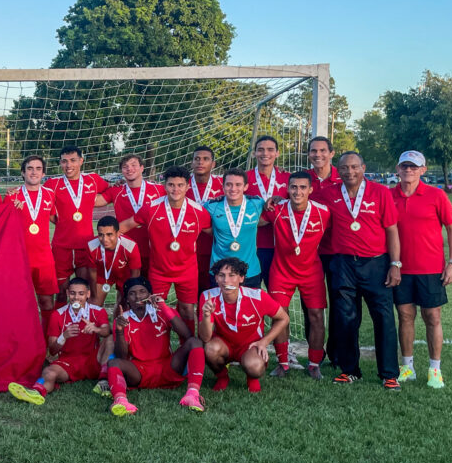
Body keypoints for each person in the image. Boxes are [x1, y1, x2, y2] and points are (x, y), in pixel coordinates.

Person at [317, 151, 401, 388]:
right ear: (338, 170)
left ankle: (389, 373)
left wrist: (395, 264)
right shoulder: (329, 193)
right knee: (345, 319)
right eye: (344, 168)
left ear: (363, 168)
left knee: (383, 318)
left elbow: (392, 230)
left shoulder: (381, 192)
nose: (350, 172)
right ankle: (350, 369)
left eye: (354, 167)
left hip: (376, 263)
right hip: (343, 263)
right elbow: (306, 207)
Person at [391, 150, 452, 388]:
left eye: (413, 166)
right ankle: (407, 367)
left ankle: (434, 369)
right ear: (397, 169)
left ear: (423, 170)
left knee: (432, 317)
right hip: (400, 268)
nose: (408, 170)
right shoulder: (389, 195)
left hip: (431, 269)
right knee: (405, 316)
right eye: (404, 166)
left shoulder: (436, 195)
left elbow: (451, 228)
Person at [121, 165, 211, 334]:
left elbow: (215, 233)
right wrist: (107, 236)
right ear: (165, 186)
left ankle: (188, 349)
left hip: (187, 271)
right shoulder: (151, 209)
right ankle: (155, 351)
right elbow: (127, 224)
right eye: (171, 185)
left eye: (180, 185)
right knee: (154, 310)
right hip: (159, 271)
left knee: (186, 310)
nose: (175, 189)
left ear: (187, 186)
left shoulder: (199, 212)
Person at [262, 171, 332, 378]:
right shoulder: (276, 209)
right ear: (288, 189)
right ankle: (283, 363)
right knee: (279, 316)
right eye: (293, 187)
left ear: (310, 189)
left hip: (311, 271)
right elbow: (252, 221)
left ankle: (314, 364)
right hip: (281, 272)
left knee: (316, 316)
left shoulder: (323, 212)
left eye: (303, 187)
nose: (297, 191)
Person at [104, 277, 207, 415]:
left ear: (149, 295)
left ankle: (192, 394)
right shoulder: (123, 319)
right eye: (132, 293)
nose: (138, 296)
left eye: (142, 291)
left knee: (195, 342)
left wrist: (164, 307)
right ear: (127, 299)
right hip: (139, 372)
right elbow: (122, 356)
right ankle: (120, 401)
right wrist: (120, 331)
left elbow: (186, 335)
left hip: (167, 367)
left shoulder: (162, 311)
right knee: (114, 362)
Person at [7, 278, 109, 405]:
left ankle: (104, 380)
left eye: (81, 294)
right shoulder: (57, 315)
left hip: (93, 360)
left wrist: (96, 329)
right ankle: (36, 392)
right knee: (49, 372)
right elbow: (53, 349)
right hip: (68, 362)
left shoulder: (98, 311)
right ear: (67, 293)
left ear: (88, 294)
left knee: (111, 338)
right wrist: (64, 336)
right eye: (72, 293)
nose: (76, 297)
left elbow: (107, 331)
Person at [199, 258, 290, 393]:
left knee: (255, 366)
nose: (226, 281)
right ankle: (222, 377)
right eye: (221, 275)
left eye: (232, 275)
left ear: (241, 278)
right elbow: (205, 338)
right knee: (210, 349)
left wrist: (264, 342)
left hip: (250, 346)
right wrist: (206, 316)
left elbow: (284, 318)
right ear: (216, 278)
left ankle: (251, 378)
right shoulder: (207, 297)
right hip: (224, 345)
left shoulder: (258, 297)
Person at [48, 146, 110, 294]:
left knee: (83, 290)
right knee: (62, 292)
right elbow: (41, 202)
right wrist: (60, 222)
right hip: (61, 246)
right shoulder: (53, 184)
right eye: (64, 161)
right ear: (60, 163)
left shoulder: (93, 180)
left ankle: (84, 317)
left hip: (86, 245)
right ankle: (62, 317)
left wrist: (94, 201)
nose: (68, 165)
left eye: (73, 160)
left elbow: (111, 191)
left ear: (81, 161)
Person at [9, 155, 58, 336]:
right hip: (19, 260)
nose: (34, 172)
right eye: (30, 168)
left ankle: (45, 341)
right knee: (20, 305)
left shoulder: (50, 195)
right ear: (23, 172)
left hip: (44, 259)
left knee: (46, 303)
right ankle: (22, 341)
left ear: (43, 173)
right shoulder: (12, 195)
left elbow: (56, 219)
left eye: (38, 169)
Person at [307, 135, 343, 366]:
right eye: (313, 151)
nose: (318, 155)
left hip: (337, 250)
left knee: (340, 301)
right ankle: (315, 354)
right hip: (310, 253)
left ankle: (337, 352)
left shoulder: (345, 177)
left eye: (322, 151)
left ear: (331, 153)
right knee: (311, 305)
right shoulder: (302, 179)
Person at [203, 169, 266, 288]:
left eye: (238, 185)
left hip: (250, 271)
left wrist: (276, 198)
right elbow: (201, 223)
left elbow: (273, 210)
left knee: (249, 307)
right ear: (223, 186)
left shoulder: (257, 204)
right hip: (220, 272)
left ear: (246, 186)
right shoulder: (211, 206)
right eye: (229, 184)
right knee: (219, 306)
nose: (233, 189)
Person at [105, 154, 164, 279]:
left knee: (150, 291)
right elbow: (92, 200)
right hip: (125, 249)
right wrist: (106, 185)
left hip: (153, 250)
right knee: (124, 291)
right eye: (125, 167)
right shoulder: (116, 190)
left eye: (133, 165)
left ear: (142, 168)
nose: (129, 169)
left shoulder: (159, 189)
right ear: (121, 171)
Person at [246, 136, 289, 288]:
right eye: (260, 150)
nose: (265, 153)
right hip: (251, 247)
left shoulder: (288, 178)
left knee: (277, 297)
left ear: (277, 153)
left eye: (270, 150)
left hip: (279, 248)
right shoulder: (244, 178)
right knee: (250, 295)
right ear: (254, 153)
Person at [188, 146, 224, 294]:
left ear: (213, 164)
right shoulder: (180, 185)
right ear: (191, 163)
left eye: (205, 159)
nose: (200, 162)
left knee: (214, 293)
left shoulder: (225, 184)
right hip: (188, 249)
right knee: (190, 295)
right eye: (197, 159)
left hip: (216, 249)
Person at [86, 216, 141, 308]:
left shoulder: (130, 246)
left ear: (118, 233)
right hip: (103, 275)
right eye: (101, 235)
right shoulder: (91, 245)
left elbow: (135, 274)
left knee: (125, 306)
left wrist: (128, 296)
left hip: (125, 276)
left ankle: (118, 319)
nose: (105, 239)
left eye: (109, 234)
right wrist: (94, 296)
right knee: (93, 305)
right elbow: (92, 273)